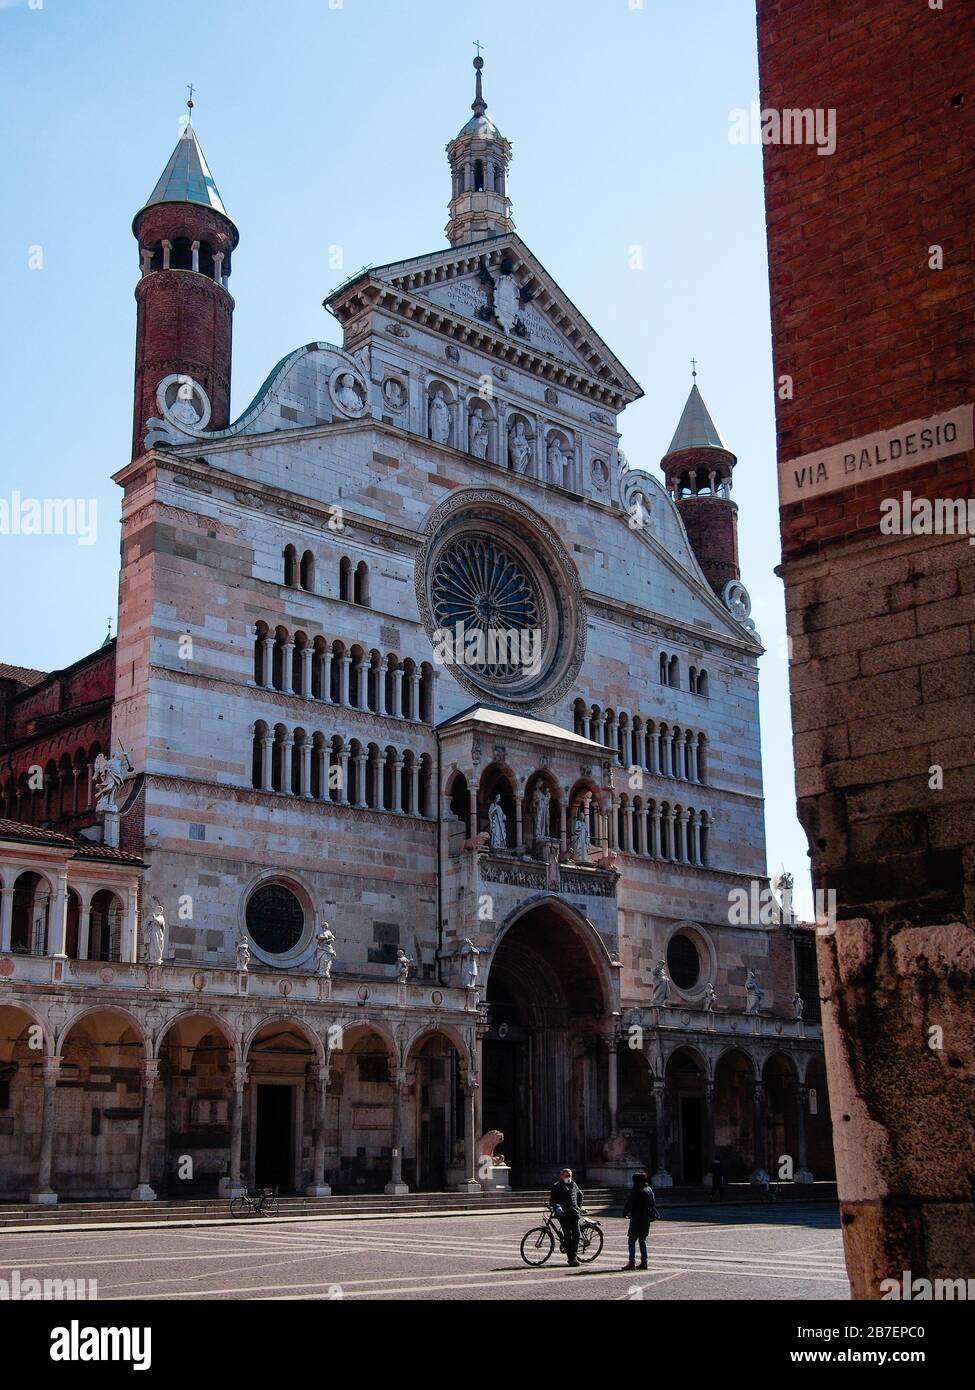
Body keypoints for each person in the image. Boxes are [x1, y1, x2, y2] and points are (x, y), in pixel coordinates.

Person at [621, 1171, 656, 1270]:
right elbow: (653, 1203)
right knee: (642, 1240)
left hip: (637, 1218)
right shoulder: (649, 1189)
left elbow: (630, 1203)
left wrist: (625, 1212)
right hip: (646, 1218)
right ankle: (644, 1262)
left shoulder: (637, 1190)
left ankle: (631, 1262)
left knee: (631, 1240)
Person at [549, 1167, 584, 1266]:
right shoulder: (557, 1186)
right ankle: (571, 1258)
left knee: (576, 1235)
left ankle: (574, 1256)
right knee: (567, 1236)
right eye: (567, 1175)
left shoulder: (574, 1184)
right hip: (564, 1215)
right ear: (561, 1176)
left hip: (574, 1214)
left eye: (570, 1176)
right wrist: (557, 1207)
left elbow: (580, 1195)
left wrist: (579, 1207)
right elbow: (552, 1200)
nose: (568, 1177)